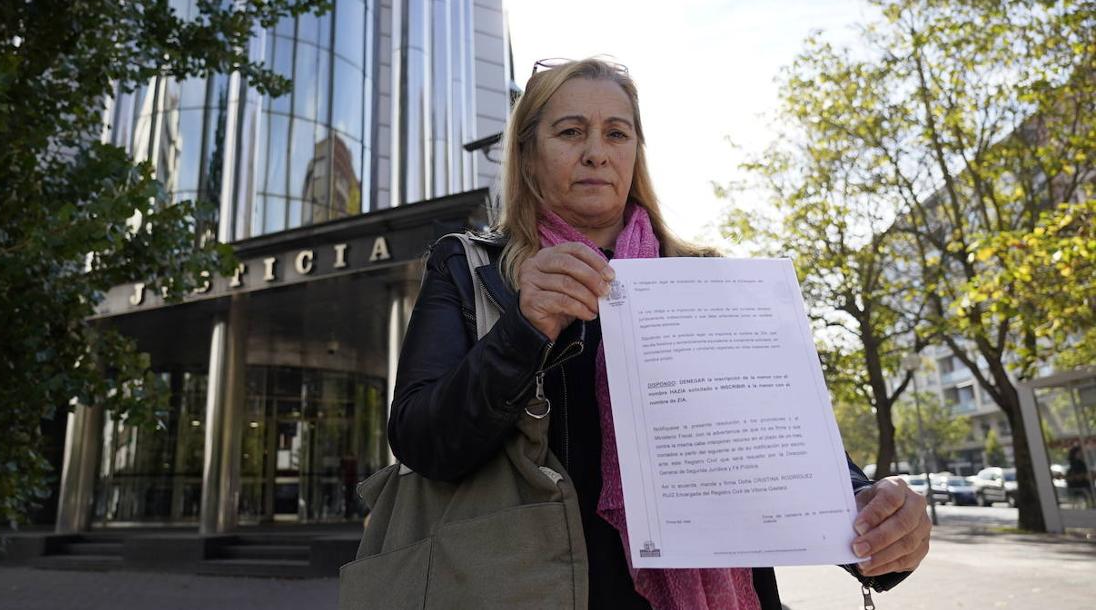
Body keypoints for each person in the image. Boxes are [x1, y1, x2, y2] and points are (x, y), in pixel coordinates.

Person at [388, 57, 931, 608]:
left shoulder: (709, 275)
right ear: (527, 155)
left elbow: (777, 441)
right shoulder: (469, 267)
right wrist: (523, 331)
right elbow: (421, 441)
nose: (597, 151)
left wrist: (873, 512)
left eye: (616, 133)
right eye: (571, 131)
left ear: (635, 153)